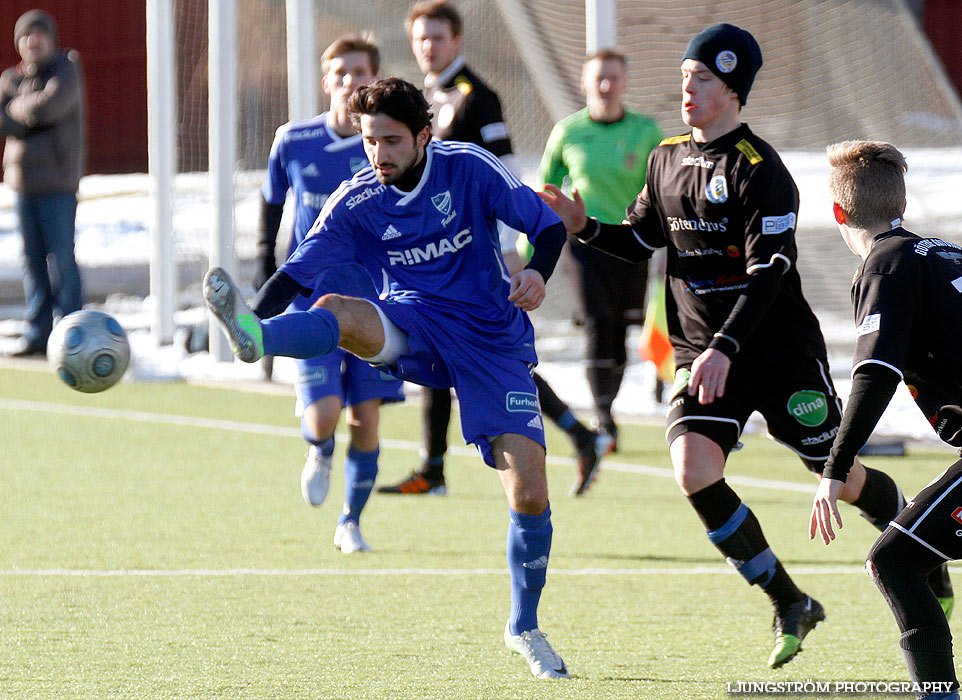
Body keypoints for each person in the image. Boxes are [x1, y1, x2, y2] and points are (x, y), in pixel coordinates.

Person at [541, 22, 950, 669]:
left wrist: (728, 344)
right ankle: (789, 601)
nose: (687, 89)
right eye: (684, 78)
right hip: (702, 354)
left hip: (776, 354)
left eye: (701, 79)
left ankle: (923, 559)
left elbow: (772, 272)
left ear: (733, 91)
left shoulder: (763, 172)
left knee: (837, 478)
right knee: (693, 470)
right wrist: (583, 226)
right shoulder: (666, 156)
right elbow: (641, 239)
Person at [203, 77, 570, 679]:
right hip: (413, 325)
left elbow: (548, 226)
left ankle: (523, 625)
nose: (379, 153)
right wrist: (253, 317)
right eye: (371, 140)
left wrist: (536, 272)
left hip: (490, 340)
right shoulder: (355, 200)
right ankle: (258, 340)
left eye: (393, 140)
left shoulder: (470, 169)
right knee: (335, 311)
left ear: (425, 136)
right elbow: (296, 275)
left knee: (529, 487)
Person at [378, 0, 609, 498]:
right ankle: (435, 465)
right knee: (441, 348)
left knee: (494, 354)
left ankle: (574, 434)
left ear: (457, 41)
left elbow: (502, 174)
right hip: (443, 259)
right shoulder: (428, 97)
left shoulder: (477, 96)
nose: (428, 47)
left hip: (483, 253)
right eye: (421, 38)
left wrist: (511, 251)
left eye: (437, 37)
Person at [811, 141, 962, 700]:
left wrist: (835, 466)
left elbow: (875, 372)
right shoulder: (945, 253)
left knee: (895, 560)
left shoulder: (885, 264)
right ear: (898, 200)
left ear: (837, 213)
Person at [253, 36, 403, 553]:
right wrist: (265, 269)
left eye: (360, 71)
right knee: (326, 411)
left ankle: (350, 522)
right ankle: (318, 449)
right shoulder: (294, 140)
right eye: (340, 72)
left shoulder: (388, 150)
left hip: (373, 303)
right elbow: (272, 204)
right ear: (327, 82)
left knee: (367, 417)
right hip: (310, 299)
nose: (350, 81)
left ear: (374, 79)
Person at [540, 49, 663, 446]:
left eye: (613, 78)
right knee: (596, 321)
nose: (606, 86)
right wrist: (530, 254)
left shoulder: (647, 132)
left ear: (625, 83)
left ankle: (607, 408)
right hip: (582, 245)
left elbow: (663, 189)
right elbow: (545, 191)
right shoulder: (568, 132)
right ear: (585, 82)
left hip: (631, 243)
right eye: (599, 78)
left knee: (619, 328)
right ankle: (604, 417)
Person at [0, 10, 85, 357]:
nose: (33, 42)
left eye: (39, 35)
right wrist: (24, 112)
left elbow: (49, 108)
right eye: (26, 37)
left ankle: (74, 331)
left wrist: (21, 112)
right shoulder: (9, 78)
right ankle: (38, 332)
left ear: (50, 39)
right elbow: (4, 118)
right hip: (22, 185)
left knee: (62, 259)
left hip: (58, 184)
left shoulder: (65, 71)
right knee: (31, 260)